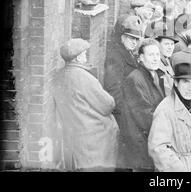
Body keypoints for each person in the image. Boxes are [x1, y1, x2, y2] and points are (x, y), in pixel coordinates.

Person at [53, 39, 119, 171]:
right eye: (84, 53)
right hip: (93, 135)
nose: (85, 56)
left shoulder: (59, 76)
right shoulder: (84, 77)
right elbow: (108, 105)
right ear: (78, 58)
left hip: (74, 134)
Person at [148, 63, 191, 172]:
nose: (190, 88)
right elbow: (158, 149)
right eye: (186, 82)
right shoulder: (165, 109)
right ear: (176, 83)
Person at [118, 39, 166, 171]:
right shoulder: (134, 79)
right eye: (151, 55)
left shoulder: (156, 75)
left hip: (150, 140)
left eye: (157, 54)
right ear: (141, 58)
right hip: (139, 145)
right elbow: (145, 116)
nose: (156, 59)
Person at [104, 15, 142, 125]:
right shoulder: (115, 57)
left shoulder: (127, 51)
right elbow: (114, 90)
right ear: (121, 37)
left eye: (136, 39)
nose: (134, 42)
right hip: (124, 114)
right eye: (131, 38)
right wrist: (125, 116)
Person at [154, 23, 179, 96]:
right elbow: (167, 93)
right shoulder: (157, 65)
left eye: (172, 44)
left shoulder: (166, 59)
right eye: (166, 44)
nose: (170, 47)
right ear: (158, 44)